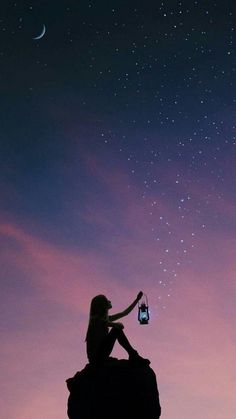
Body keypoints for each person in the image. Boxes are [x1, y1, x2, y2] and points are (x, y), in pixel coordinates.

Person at [85, 291, 150, 366]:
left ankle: (133, 354)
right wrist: (116, 324)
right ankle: (133, 355)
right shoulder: (96, 319)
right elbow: (115, 326)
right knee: (116, 330)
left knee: (116, 329)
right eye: (107, 300)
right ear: (102, 305)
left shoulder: (104, 319)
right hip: (97, 358)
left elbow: (124, 313)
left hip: (99, 355)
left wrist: (137, 299)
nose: (109, 301)